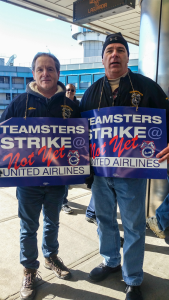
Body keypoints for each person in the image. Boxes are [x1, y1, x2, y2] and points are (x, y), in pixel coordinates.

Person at [80, 32, 169, 300]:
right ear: (104, 57)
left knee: (132, 225)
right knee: (104, 220)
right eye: (110, 51)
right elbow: (78, 131)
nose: (114, 54)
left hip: (132, 173)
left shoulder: (146, 86)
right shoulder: (93, 91)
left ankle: (133, 278)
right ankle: (110, 261)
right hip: (100, 174)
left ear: (128, 56)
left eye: (120, 50)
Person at [0, 52, 80, 300]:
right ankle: (29, 269)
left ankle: (50, 256)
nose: (45, 73)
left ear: (58, 73)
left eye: (50, 69)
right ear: (34, 74)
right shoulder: (19, 103)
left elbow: (82, 142)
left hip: (57, 181)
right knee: (28, 228)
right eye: (40, 69)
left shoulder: (70, 106)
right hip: (28, 182)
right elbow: (4, 138)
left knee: (53, 222)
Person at [60, 84, 80, 214]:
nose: (70, 92)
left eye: (72, 90)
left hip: (73, 146)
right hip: (59, 145)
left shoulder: (79, 106)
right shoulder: (59, 105)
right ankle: (63, 202)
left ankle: (63, 201)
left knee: (66, 175)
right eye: (68, 90)